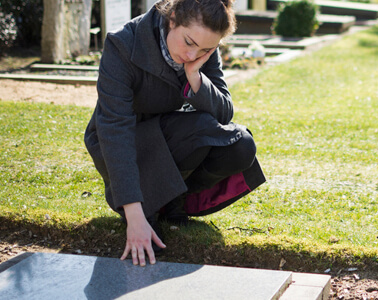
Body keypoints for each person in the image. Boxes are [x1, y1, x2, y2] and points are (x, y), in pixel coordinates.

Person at [84, 0, 265, 267]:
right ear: (172, 19)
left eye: (205, 49)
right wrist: (134, 217)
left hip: (171, 136)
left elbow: (224, 113)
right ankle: (146, 206)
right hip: (124, 143)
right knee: (148, 241)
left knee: (241, 146)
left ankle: (172, 203)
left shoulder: (201, 48)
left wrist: (195, 77)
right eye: (189, 43)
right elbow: (115, 131)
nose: (193, 55)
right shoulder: (122, 44)